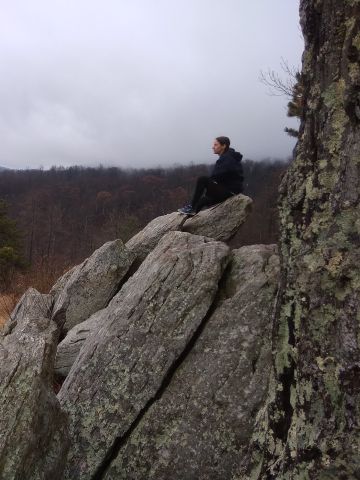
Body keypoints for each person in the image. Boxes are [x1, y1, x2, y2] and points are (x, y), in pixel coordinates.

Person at [178, 136, 244, 215]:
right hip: (230, 190)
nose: (213, 147)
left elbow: (216, 176)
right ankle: (191, 214)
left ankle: (192, 207)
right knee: (203, 200)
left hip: (229, 190)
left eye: (216, 145)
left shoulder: (227, 158)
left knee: (202, 179)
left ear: (224, 146)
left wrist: (210, 187)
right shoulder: (229, 156)